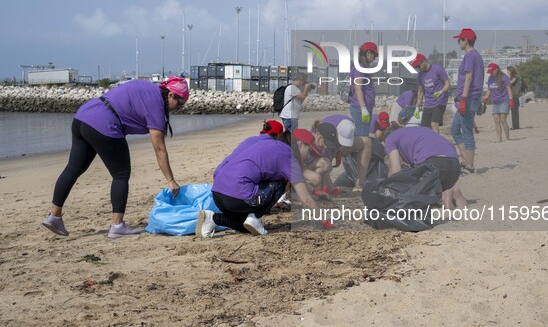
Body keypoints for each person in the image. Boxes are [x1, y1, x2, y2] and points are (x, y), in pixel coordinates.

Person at [42, 77, 189, 238]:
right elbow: (159, 149)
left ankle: (54, 216)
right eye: (180, 104)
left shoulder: (147, 87)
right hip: (105, 123)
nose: (179, 109)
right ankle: (117, 225)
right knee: (121, 174)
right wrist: (170, 180)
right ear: (170, 95)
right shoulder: (156, 108)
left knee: (73, 168)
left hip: (84, 116)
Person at [196, 129, 332, 237]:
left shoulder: (263, 140)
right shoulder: (288, 157)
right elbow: (306, 200)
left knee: (246, 227)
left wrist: (314, 191)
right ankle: (255, 217)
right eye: (309, 150)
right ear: (301, 144)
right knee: (282, 181)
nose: (308, 156)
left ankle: (214, 219)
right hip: (238, 198)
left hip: (218, 193)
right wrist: (325, 221)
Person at [384, 124, 467, 210]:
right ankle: (453, 194)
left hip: (433, 164)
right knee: (430, 186)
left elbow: (395, 170)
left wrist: (386, 188)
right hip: (454, 167)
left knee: (414, 193)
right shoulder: (421, 130)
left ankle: (442, 197)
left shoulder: (390, 139)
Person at [450, 28, 484, 175]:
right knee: (454, 129)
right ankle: (466, 161)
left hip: (469, 99)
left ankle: (469, 167)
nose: (459, 42)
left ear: (466, 41)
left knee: (467, 131)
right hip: (471, 98)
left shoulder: (470, 56)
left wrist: (463, 99)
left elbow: (469, 77)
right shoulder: (477, 56)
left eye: (460, 40)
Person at [321, 114, 371, 189]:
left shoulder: (350, 126)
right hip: (327, 145)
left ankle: (360, 183)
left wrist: (342, 148)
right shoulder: (327, 130)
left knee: (367, 142)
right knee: (325, 164)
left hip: (337, 144)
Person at [412, 53, 451, 133]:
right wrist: (417, 107)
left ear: (424, 61)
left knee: (434, 124)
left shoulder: (437, 69)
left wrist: (441, 92)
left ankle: (436, 144)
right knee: (424, 128)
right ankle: (429, 144)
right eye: (416, 67)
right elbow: (420, 91)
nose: (418, 68)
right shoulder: (420, 75)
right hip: (428, 103)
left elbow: (447, 83)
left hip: (440, 101)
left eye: (418, 66)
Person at [350, 42, 377, 136]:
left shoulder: (362, 67)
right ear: (368, 53)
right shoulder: (360, 67)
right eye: (375, 55)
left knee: (364, 136)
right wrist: (363, 109)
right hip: (360, 108)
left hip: (364, 108)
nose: (375, 58)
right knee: (363, 139)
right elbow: (358, 88)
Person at [483, 63, 513, 142]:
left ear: (496, 70)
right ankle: (499, 139)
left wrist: (511, 100)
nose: (491, 73)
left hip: (504, 101)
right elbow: (489, 90)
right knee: (496, 121)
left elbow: (509, 89)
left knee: (503, 120)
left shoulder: (504, 78)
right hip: (495, 102)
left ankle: (507, 138)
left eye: (492, 71)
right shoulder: (490, 79)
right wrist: (486, 98)